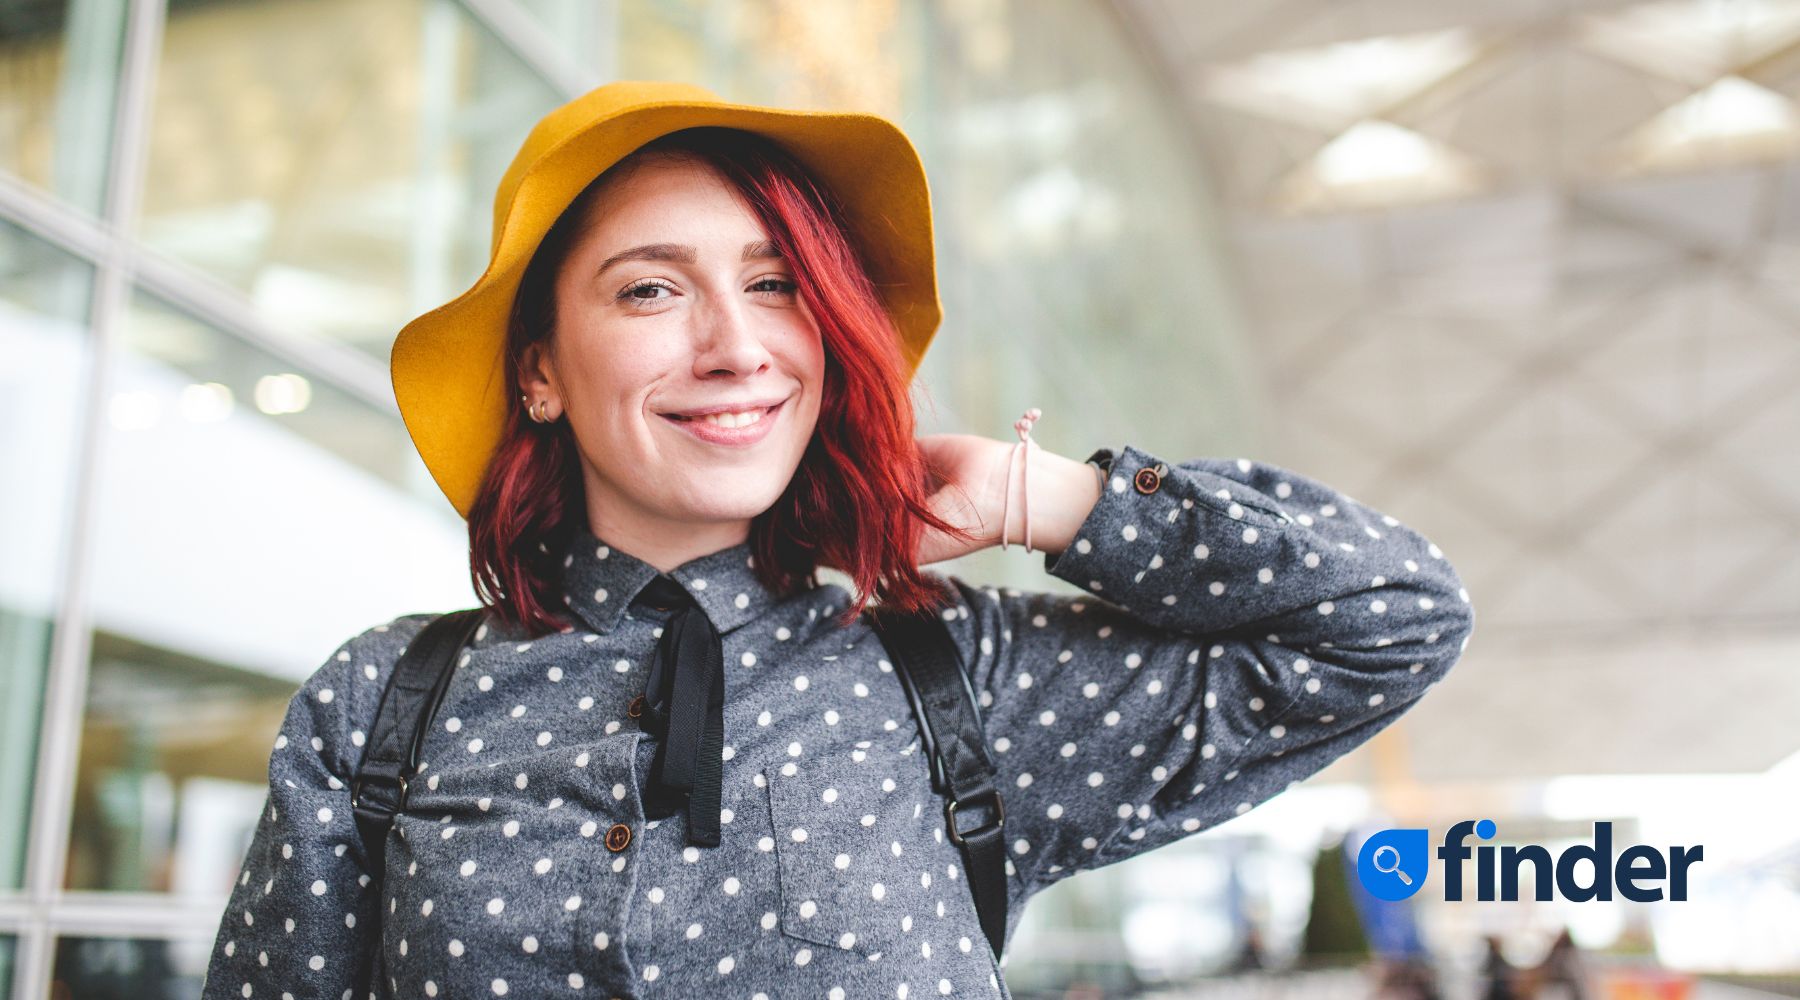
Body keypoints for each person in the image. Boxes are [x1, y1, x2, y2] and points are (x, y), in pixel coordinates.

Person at [200, 80, 1476, 1000]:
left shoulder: (958, 677)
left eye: (776, 284)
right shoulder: (386, 704)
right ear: (538, 372)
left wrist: (1054, 501)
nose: (737, 344)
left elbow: (1393, 617)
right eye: (652, 288)